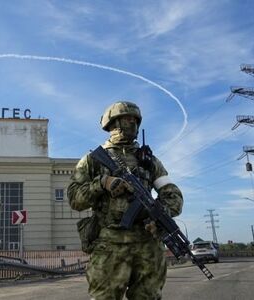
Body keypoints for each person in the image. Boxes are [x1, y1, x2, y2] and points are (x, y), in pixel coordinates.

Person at [67, 101, 183, 300]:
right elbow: (74, 199)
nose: (132, 124)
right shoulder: (93, 160)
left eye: (135, 120)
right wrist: (102, 183)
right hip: (110, 245)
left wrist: (160, 216)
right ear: (113, 124)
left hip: (148, 245)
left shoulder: (149, 161)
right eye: (126, 119)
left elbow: (174, 196)